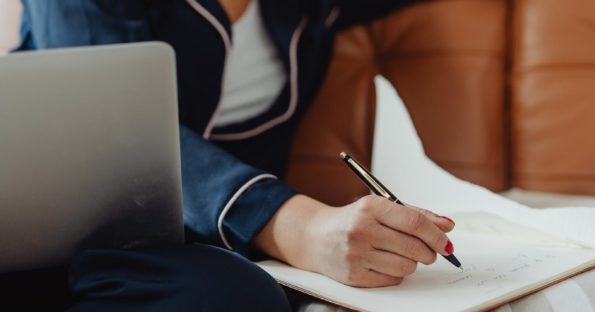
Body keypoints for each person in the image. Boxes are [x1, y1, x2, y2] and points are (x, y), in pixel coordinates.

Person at [8, 0, 458, 310]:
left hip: (180, 257)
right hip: (50, 229)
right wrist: (297, 225)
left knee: (236, 294)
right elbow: (109, 127)